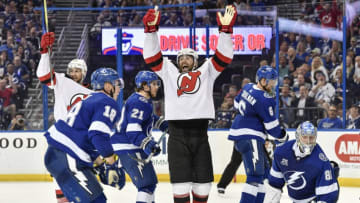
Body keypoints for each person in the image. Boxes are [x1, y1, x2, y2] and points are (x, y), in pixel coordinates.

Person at [142, 5, 237, 203]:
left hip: (201, 134)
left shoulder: (207, 71)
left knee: (203, 188)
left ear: (195, 61)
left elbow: (224, 56)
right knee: (180, 187)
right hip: (176, 135)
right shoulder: (168, 71)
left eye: (189, 57)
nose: (184, 60)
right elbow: (151, 57)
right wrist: (151, 32)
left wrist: (226, 33)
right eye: (181, 58)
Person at [44, 68, 126, 203]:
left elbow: (84, 139)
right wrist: (111, 164)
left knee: (95, 199)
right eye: (117, 84)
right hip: (69, 157)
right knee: (96, 201)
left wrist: (100, 165)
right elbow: (97, 134)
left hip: (59, 155)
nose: (119, 89)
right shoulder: (107, 102)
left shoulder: (89, 100)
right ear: (107, 86)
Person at [36, 32, 94, 203]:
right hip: (61, 135)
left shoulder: (92, 93)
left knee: (81, 176)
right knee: (60, 172)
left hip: (81, 139)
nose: (74, 74)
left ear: (84, 73)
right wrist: (44, 52)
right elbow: (44, 75)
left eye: (77, 71)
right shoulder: (61, 82)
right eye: (71, 71)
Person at [228, 66, 288, 203]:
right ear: (262, 80)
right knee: (255, 177)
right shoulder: (266, 99)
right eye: (271, 81)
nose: (273, 85)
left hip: (240, 137)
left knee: (263, 175)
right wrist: (283, 136)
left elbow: (237, 104)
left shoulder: (248, 87)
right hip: (251, 137)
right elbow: (272, 127)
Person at [112, 71, 168, 203]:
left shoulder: (140, 100)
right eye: (154, 84)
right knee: (146, 186)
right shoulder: (140, 102)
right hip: (129, 147)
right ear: (145, 86)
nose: (157, 86)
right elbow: (133, 130)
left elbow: (146, 118)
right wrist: (147, 144)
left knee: (149, 185)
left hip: (127, 146)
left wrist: (162, 124)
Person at [264, 121, 339, 203]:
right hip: (296, 198)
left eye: (311, 137)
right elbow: (274, 184)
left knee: (332, 169)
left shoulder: (321, 162)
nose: (308, 141)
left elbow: (328, 195)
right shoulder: (281, 152)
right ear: (298, 136)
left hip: (314, 198)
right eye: (305, 137)